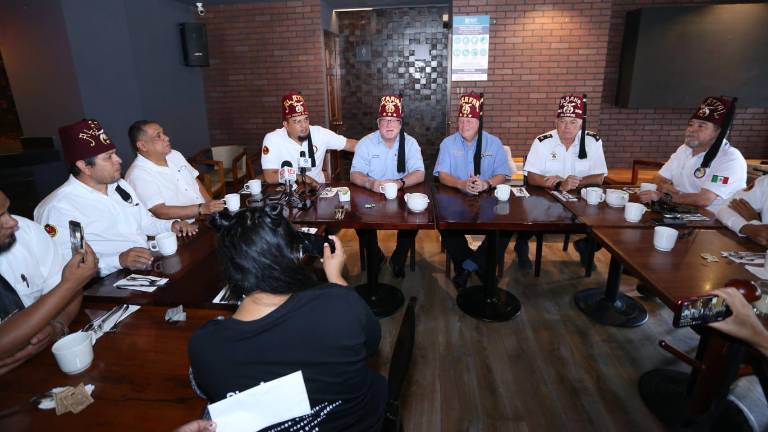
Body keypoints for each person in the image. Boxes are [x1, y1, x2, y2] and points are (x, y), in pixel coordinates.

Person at [188, 205, 386, 431]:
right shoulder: (340, 304)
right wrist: (336, 278)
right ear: (292, 256)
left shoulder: (205, 346)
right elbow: (372, 341)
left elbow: (204, 387)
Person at [35, 119, 196, 277]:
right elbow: (68, 264)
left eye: (115, 154)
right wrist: (118, 260)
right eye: (108, 157)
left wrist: (171, 225)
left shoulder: (119, 186)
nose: (118, 160)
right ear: (84, 166)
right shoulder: (58, 207)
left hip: (144, 268)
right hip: (104, 283)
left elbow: (144, 222)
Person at [434, 92, 526, 291]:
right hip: (456, 198)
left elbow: (503, 173)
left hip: (487, 199)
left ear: (479, 121)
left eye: (470, 120)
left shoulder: (493, 142)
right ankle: (478, 266)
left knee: (506, 226)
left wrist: (486, 183)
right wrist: (460, 184)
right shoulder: (448, 143)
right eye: (461, 120)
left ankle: (469, 266)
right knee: (444, 224)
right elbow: (441, 175)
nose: (464, 125)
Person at [0, 190, 98, 375]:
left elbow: (67, 291)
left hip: (47, 362)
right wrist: (69, 285)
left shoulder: (25, 231)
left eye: (7, 210)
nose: (12, 222)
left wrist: (58, 326)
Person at [523, 94, 608, 267]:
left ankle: (587, 246)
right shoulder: (542, 142)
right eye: (562, 121)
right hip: (547, 195)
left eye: (572, 122)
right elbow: (531, 176)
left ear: (581, 123)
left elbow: (599, 177)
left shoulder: (593, 141)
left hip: (580, 198)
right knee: (526, 213)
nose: (567, 127)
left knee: (609, 219)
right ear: (555, 122)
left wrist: (574, 182)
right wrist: (560, 183)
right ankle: (521, 244)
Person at [350, 94, 425, 278]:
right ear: (378, 123)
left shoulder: (410, 143)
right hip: (372, 194)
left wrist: (400, 183)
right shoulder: (366, 143)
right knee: (359, 220)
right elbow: (354, 174)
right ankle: (375, 256)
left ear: (400, 124)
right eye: (385, 121)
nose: (389, 125)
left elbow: (420, 173)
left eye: (394, 121)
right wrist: (370, 182)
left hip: (401, 194)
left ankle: (399, 258)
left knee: (413, 220)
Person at [638, 96, 747, 212]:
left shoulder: (730, 158)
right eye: (691, 124)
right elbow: (659, 178)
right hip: (681, 211)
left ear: (719, 132)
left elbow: (704, 199)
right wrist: (666, 187)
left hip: (716, 222)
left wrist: (669, 197)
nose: (691, 130)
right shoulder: (684, 150)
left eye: (701, 126)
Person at [125, 120, 225, 221]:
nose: (167, 138)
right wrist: (200, 209)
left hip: (204, 216)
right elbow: (160, 211)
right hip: (181, 229)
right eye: (158, 136)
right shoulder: (138, 174)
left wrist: (210, 205)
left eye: (164, 133)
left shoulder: (174, 155)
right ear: (143, 146)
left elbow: (195, 181)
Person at [261, 92, 357, 185]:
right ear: (286, 125)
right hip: (287, 192)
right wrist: (300, 177)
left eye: (306, 119)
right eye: (297, 121)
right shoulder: (272, 139)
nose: (304, 125)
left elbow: (350, 144)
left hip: (318, 190)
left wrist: (371, 143)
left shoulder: (320, 133)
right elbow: (269, 176)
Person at [716, 175, 768, 247]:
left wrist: (755, 224)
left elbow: (703, 199)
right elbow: (725, 207)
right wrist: (750, 228)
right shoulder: (765, 182)